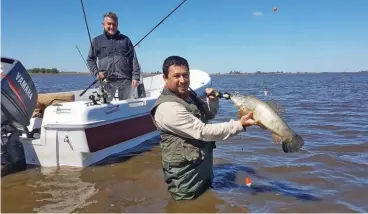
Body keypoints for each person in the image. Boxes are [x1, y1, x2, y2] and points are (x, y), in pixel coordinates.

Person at [150, 56, 258, 201]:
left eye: (185, 75)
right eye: (176, 76)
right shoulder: (167, 108)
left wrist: (212, 101)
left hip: (203, 169)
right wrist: (240, 125)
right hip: (186, 180)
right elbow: (202, 131)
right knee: (187, 208)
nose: (182, 80)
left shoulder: (188, 95)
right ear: (165, 78)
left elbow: (207, 115)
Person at [87, 12, 145, 101]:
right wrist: (96, 73)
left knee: (125, 106)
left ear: (117, 25)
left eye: (114, 24)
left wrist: (135, 77)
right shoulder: (96, 41)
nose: (112, 27)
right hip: (106, 80)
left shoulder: (126, 40)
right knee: (105, 106)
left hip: (125, 79)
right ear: (103, 25)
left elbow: (133, 59)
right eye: (109, 24)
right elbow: (90, 59)